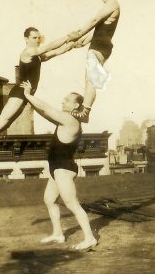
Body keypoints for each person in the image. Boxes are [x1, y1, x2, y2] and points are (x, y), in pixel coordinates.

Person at [0, 27, 83, 166]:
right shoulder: (28, 52)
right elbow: (49, 46)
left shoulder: (37, 56)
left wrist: (74, 43)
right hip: (20, 92)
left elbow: (56, 51)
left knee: (6, 123)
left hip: (26, 94)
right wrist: (69, 36)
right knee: (3, 120)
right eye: (34, 38)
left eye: (38, 38)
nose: (37, 40)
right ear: (26, 39)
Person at [20, 79, 97, 251]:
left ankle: (90, 238)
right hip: (57, 168)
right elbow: (45, 113)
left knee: (71, 203)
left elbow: (46, 109)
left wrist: (27, 95)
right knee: (49, 199)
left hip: (64, 168)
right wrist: (30, 101)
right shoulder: (64, 119)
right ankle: (58, 234)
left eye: (67, 100)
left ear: (77, 106)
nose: (63, 101)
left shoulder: (71, 121)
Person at [67, 0, 120, 123]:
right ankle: (85, 110)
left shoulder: (112, 3)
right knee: (89, 79)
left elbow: (95, 20)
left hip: (100, 46)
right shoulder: (109, 6)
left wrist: (78, 34)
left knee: (90, 79)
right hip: (100, 44)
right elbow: (100, 30)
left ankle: (85, 111)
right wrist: (83, 41)